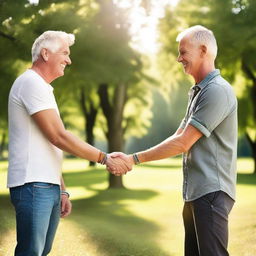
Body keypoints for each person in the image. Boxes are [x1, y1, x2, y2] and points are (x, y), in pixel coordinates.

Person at [110, 25, 237, 256]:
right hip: (196, 193)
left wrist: (133, 159)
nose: (179, 59)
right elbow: (179, 135)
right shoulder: (199, 91)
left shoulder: (216, 91)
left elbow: (182, 143)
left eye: (183, 52)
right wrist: (131, 157)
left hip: (211, 192)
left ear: (203, 50)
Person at [8, 30, 131, 256]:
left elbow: (49, 143)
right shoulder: (31, 83)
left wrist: (62, 190)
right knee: (31, 252)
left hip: (46, 185)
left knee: (41, 251)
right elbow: (59, 136)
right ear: (46, 53)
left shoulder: (43, 87)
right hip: (33, 184)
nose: (69, 59)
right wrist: (104, 158)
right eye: (64, 53)